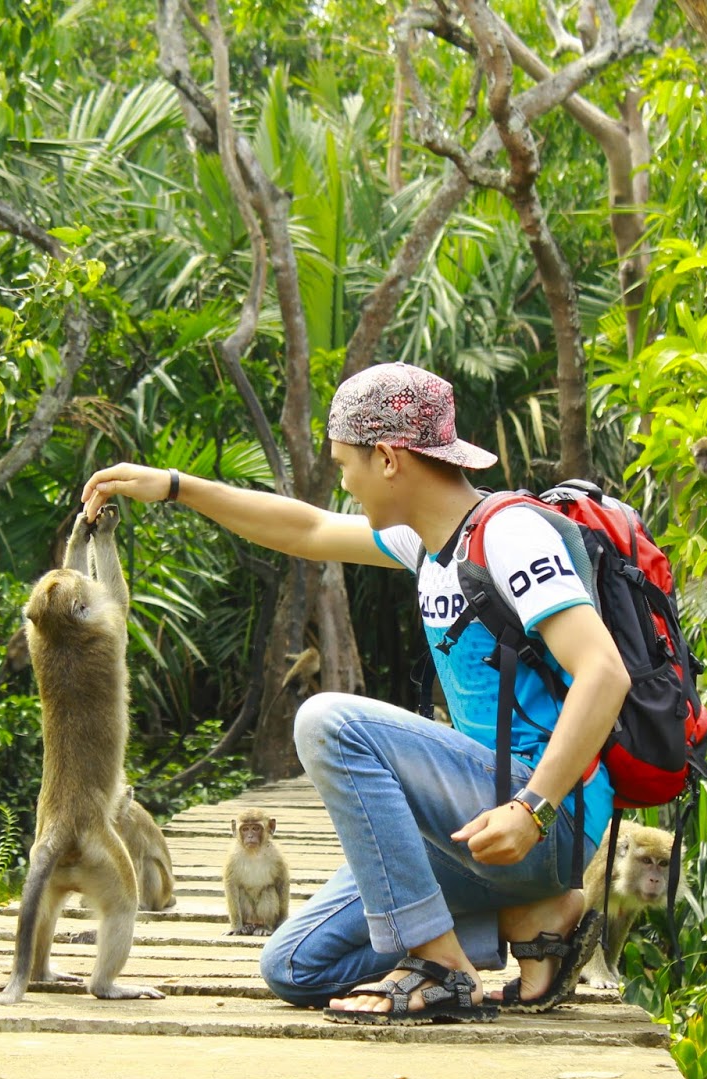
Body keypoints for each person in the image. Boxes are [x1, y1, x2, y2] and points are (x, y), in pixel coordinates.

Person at [80, 361, 628, 1024]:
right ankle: (527, 919)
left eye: (346, 463)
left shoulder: (510, 534)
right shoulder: (426, 542)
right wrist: (173, 486)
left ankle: (440, 961)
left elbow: (605, 671)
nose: (342, 479)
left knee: (328, 720)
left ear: (390, 457)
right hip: (479, 825)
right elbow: (305, 529)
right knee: (292, 964)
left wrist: (532, 808)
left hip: (546, 815)